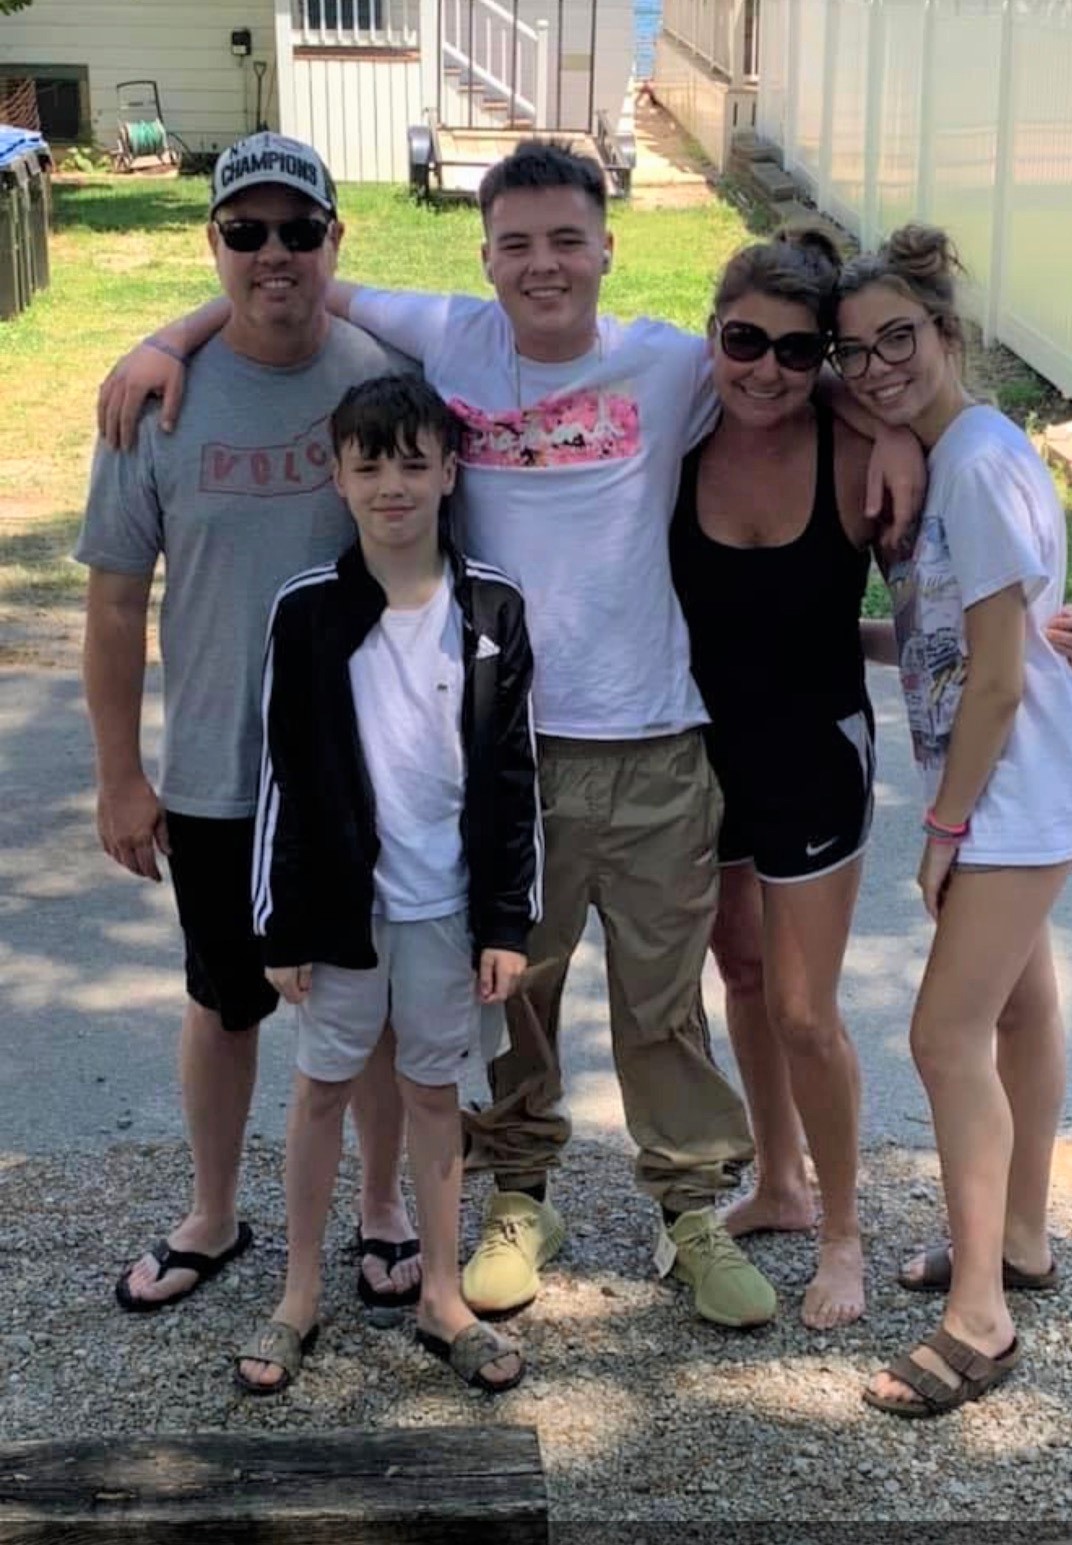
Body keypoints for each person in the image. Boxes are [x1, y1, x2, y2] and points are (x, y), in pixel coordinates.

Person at [96, 140, 927, 1332]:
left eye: (568, 241)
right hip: (503, 752)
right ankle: (517, 1198)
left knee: (661, 1001)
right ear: (483, 257)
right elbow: (298, 282)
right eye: (519, 244)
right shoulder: (450, 339)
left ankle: (689, 1207)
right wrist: (167, 338)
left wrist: (880, 426)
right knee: (511, 994)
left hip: (656, 742)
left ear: (608, 249)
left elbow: (788, 369)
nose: (545, 265)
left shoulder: (668, 361)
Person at [670, 231, 1072, 1333]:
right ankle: (785, 1182)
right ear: (713, 335)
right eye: (744, 340)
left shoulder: (883, 453)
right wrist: (1004, 633)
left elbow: (990, 644)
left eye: (799, 349)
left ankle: (847, 1233)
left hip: (821, 755)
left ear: (942, 334)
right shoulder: (679, 429)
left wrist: (1020, 644)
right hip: (702, 751)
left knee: (808, 1009)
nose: (769, 366)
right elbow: (933, 624)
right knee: (744, 973)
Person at [77, 132, 426, 1318]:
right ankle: (214, 1213)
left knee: (373, 1008)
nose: (273, 252)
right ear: (214, 242)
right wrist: (121, 776)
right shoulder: (152, 404)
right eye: (245, 230)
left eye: (298, 229)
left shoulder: (388, 381)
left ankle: (383, 1207)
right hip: (219, 774)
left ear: (335, 237)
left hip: (369, 774)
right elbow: (115, 604)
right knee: (225, 1000)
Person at [827, 225, 1072, 1416]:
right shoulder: (952, 450)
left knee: (944, 1039)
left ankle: (981, 1320)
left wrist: (944, 829)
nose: (877, 366)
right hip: (1024, 775)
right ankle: (1022, 1240)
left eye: (899, 338)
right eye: (855, 352)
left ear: (946, 333)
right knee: (1020, 1012)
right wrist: (839, 638)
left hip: (1015, 789)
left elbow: (997, 680)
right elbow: (954, 639)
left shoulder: (982, 465)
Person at [235, 374, 539, 1394]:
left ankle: (442, 1293)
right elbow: (280, 773)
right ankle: (299, 1293)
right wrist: (280, 926)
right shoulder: (305, 610)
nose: (392, 486)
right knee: (321, 1088)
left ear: (451, 472)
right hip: (339, 913)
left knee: (434, 1093)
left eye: (414, 463)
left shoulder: (491, 606)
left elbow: (515, 775)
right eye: (369, 466)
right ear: (338, 477)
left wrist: (507, 922)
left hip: (447, 912)